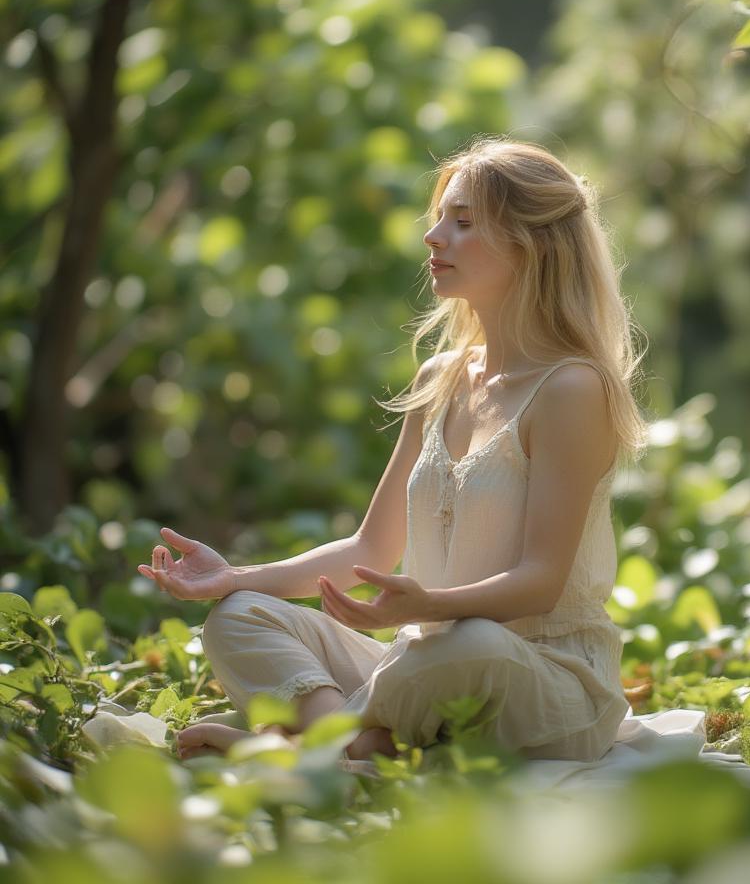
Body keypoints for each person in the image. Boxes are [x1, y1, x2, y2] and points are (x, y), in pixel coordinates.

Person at [137, 136, 650, 764]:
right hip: (418, 662)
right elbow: (369, 551)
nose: (434, 238)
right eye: (439, 220)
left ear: (532, 244)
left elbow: (540, 583)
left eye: (463, 223)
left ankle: (313, 746)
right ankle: (353, 742)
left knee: (473, 646)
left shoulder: (570, 388)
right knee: (240, 616)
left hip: (536, 676)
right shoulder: (441, 377)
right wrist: (234, 577)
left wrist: (429, 605)